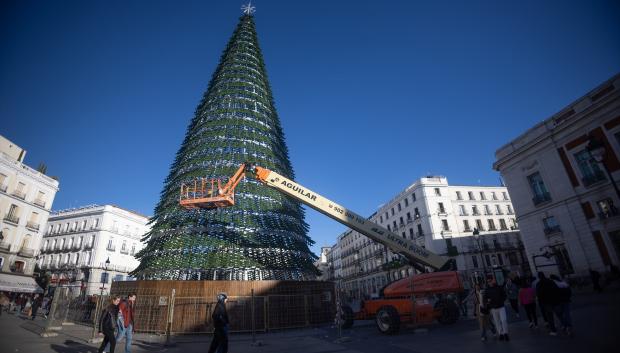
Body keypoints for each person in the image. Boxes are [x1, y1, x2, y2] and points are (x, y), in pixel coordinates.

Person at [484, 277, 509, 341]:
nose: (489, 282)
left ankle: (505, 333)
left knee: (503, 320)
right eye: (488, 281)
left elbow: (504, 295)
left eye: (490, 281)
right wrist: (488, 301)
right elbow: (485, 298)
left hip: (501, 306)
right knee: (497, 322)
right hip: (493, 308)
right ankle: (501, 333)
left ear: (493, 281)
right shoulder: (487, 290)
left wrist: (501, 301)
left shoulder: (499, 287)